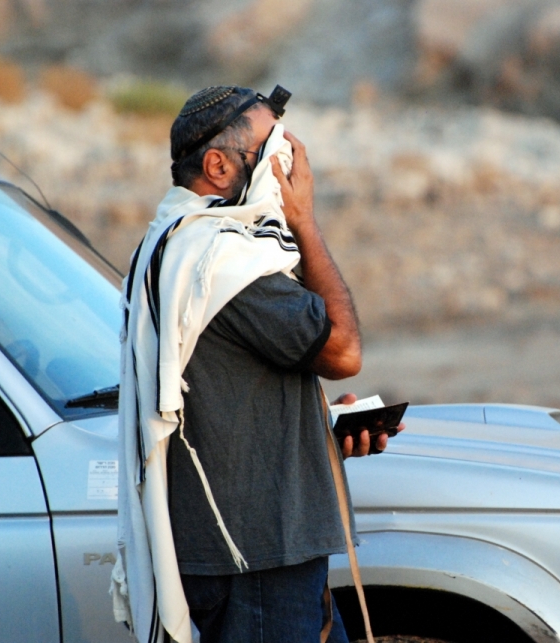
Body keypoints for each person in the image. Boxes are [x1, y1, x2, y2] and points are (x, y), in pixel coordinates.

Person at [111, 85, 394, 643]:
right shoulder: (224, 260)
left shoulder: (179, 246)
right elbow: (344, 352)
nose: (286, 172)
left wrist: (321, 429)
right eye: (273, 154)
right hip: (258, 562)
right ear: (217, 165)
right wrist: (306, 223)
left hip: (260, 555)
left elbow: (221, 400)